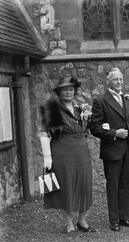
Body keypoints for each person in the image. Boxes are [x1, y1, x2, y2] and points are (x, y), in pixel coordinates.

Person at [39, 76, 95, 233]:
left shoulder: (79, 109)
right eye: (65, 89)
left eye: (71, 89)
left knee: (84, 185)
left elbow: (87, 129)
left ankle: (83, 221)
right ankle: (69, 223)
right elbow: (44, 134)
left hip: (81, 153)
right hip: (62, 154)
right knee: (65, 187)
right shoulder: (52, 110)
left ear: (75, 91)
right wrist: (47, 158)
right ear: (59, 92)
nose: (68, 92)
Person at [90, 68, 129, 232]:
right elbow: (94, 128)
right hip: (112, 150)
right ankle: (114, 220)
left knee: (127, 184)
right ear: (108, 81)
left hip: (128, 149)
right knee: (113, 186)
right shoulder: (101, 100)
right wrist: (114, 133)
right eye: (115, 79)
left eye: (120, 79)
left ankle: (125, 217)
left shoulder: (127, 99)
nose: (119, 82)